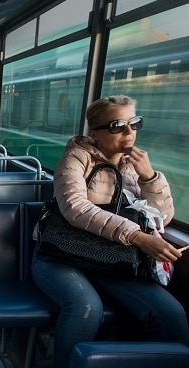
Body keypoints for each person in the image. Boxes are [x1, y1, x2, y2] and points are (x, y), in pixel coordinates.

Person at [31, 95, 189, 368]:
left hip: (112, 260)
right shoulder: (75, 158)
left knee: (170, 312)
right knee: (85, 307)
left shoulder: (134, 167)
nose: (129, 132)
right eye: (117, 125)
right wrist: (137, 236)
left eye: (134, 123)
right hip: (60, 255)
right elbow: (75, 208)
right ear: (95, 133)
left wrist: (149, 177)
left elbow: (162, 217)